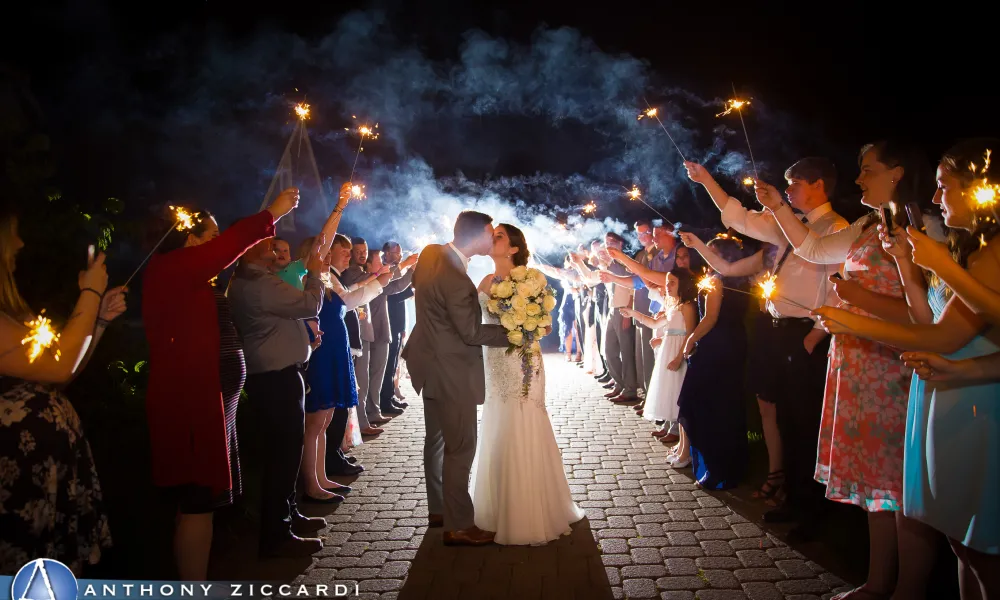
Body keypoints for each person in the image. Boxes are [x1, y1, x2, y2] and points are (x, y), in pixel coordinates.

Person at [815, 139, 1000, 600]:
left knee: (983, 547)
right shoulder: (962, 247)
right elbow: (928, 319)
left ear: (979, 187)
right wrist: (904, 264)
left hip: (977, 407)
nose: (936, 197)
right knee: (962, 543)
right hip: (946, 389)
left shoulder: (981, 252)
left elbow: (944, 337)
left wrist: (853, 319)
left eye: (945, 187)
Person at [760, 142, 933, 599]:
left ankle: (909, 590)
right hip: (856, 361)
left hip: (893, 366)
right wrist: (778, 206)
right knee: (876, 481)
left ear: (898, 173)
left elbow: (927, 312)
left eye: (867, 170)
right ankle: (877, 581)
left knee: (900, 484)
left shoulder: (924, 227)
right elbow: (813, 247)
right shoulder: (866, 224)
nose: (858, 179)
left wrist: (855, 300)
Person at [142, 189, 304, 577]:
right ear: (189, 238)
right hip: (191, 405)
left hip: (209, 402)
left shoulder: (186, 273)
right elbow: (230, 247)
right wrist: (272, 213)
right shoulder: (173, 267)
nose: (219, 242)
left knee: (199, 504)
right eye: (212, 235)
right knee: (197, 501)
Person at [685, 157, 847, 531]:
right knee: (785, 420)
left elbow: (839, 289)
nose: (787, 192)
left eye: (794, 184)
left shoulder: (835, 228)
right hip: (776, 330)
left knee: (804, 423)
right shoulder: (789, 226)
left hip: (803, 334)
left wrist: (815, 334)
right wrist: (706, 179)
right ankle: (792, 497)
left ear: (819, 185)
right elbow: (742, 219)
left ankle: (813, 511)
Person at [0, 205, 122, 575]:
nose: (20, 243)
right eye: (11, 233)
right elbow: (59, 366)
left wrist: (98, 321)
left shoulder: (9, 314)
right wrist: (90, 291)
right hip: (16, 486)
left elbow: (57, 376)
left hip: (48, 481)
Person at [402, 210, 511, 546]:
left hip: (427, 365)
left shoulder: (431, 254)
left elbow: (429, 300)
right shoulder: (456, 278)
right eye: (490, 233)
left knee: (435, 442)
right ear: (477, 235)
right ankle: (459, 525)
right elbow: (471, 332)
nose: (492, 239)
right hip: (452, 372)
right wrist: (516, 333)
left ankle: (439, 510)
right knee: (461, 447)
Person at [471, 223, 583, 545]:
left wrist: (530, 325)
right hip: (495, 362)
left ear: (514, 248)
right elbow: (473, 325)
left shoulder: (533, 279)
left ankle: (529, 511)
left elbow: (546, 325)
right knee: (498, 422)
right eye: (491, 234)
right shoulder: (484, 282)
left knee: (524, 420)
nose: (492, 238)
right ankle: (496, 508)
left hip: (524, 360)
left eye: (499, 236)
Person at [227, 230, 326, 558]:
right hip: (275, 379)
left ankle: (287, 515)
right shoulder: (258, 284)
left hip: (277, 376)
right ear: (248, 248)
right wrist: (315, 274)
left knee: (286, 452)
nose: (270, 242)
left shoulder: (256, 280)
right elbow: (309, 303)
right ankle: (277, 533)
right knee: (282, 454)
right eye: (263, 239)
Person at [675, 235, 750, 487]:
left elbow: (710, 317)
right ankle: (729, 466)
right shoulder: (741, 280)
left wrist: (691, 339)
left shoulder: (717, 281)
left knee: (707, 403)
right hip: (734, 342)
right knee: (727, 403)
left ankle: (717, 468)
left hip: (716, 345)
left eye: (712, 251)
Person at [619, 269, 698, 461]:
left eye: (672, 282)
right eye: (667, 282)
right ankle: (681, 445)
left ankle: (686, 450)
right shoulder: (673, 306)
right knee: (673, 398)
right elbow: (654, 323)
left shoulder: (687, 306)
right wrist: (633, 313)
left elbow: (690, 334)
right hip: (668, 351)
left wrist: (679, 357)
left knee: (681, 400)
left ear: (683, 284)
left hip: (678, 353)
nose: (667, 286)